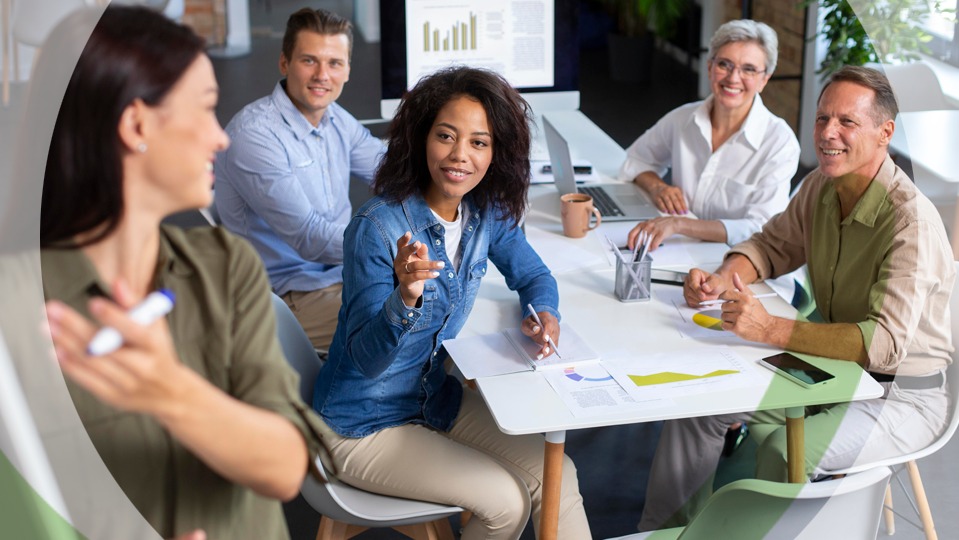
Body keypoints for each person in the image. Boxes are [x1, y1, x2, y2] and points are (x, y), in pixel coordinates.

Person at [40, 6, 330, 539]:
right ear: (136, 124)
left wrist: (169, 391)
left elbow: (287, 466)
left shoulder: (225, 268)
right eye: (205, 109)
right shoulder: (24, 304)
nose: (220, 138)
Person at [639, 65, 954, 531]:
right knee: (699, 407)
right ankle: (667, 531)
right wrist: (726, 277)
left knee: (786, 450)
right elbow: (771, 247)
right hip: (832, 371)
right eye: (822, 118)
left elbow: (883, 344)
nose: (828, 133)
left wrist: (768, 328)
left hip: (902, 397)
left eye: (847, 122)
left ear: (885, 132)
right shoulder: (820, 187)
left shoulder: (911, 223)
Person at [311, 66, 591, 540]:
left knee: (557, 474)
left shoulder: (485, 214)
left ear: (496, 152)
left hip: (432, 401)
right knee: (505, 503)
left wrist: (545, 313)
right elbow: (368, 359)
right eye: (446, 136)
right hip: (360, 424)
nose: (460, 156)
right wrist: (405, 296)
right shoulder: (377, 227)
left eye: (479, 143)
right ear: (421, 138)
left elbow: (534, 274)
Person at [214, 8, 385, 351]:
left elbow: (388, 169)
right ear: (284, 63)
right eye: (309, 60)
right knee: (413, 325)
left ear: (348, 70)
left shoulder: (334, 118)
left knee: (442, 293)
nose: (323, 75)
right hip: (287, 296)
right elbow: (310, 238)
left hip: (341, 275)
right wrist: (390, 248)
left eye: (335, 63)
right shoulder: (255, 135)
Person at [621, 19, 800, 252]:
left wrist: (679, 224)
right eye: (724, 64)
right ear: (709, 67)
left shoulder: (779, 143)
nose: (733, 78)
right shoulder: (683, 118)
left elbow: (761, 227)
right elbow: (635, 160)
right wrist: (657, 187)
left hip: (734, 260)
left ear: (764, 79)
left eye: (748, 69)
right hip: (678, 249)